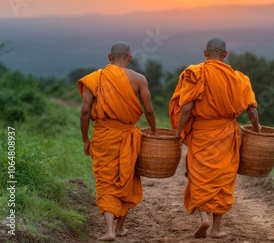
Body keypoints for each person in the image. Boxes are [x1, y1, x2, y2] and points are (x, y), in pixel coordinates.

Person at [170, 37, 260, 238]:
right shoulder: (240, 79)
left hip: (202, 133)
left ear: (205, 53)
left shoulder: (196, 73)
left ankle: (203, 218)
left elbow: (186, 108)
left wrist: (178, 133)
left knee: (199, 175)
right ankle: (217, 229)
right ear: (225, 54)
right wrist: (257, 129)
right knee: (223, 179)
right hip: (227, 135)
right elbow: (252, 112)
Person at [79, 41, 157, 241]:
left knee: (105, 181)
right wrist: (155, 131)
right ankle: (120, 227)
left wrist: (85, 139)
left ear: (109, 57)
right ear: (129, 58)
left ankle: (109, 230)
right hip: (128, 137)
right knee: (127, 178)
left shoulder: (95, 79)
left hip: (103, 136)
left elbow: (85, 111)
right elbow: (148, 109)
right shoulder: (139, 79)